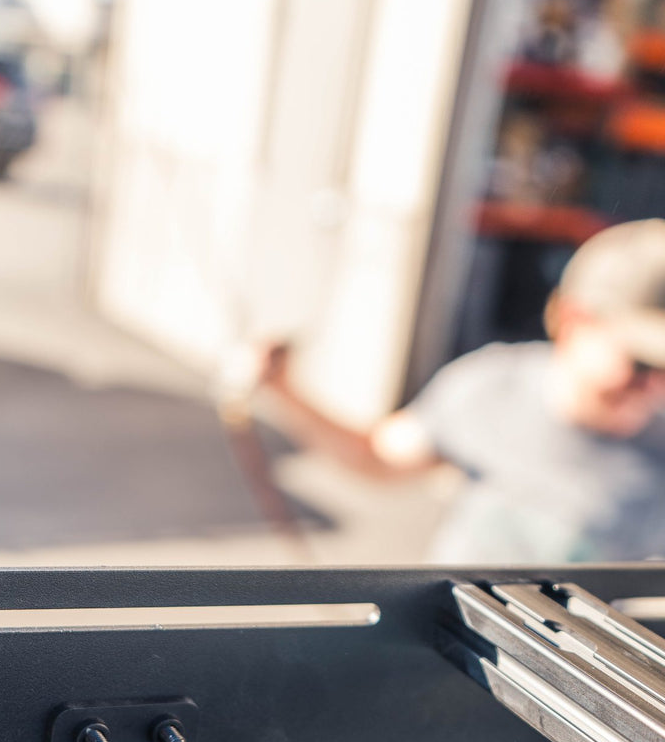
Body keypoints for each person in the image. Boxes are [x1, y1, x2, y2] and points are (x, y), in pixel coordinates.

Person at [264, 218, 665, 563]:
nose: (656, 387)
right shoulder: (490, 387)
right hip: (452, 625)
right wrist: (283, 390)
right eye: (643, 363)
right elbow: (378, 456)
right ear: (574, 319)